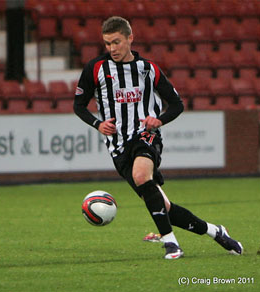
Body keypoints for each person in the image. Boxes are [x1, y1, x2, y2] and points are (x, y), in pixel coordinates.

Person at [73, 16, 243, 259]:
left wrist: (159, 120)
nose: (112, 49)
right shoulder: (95, 68)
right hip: (118, 147)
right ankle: (216, 232)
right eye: (107, 43)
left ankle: (170, 243)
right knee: (164, 208)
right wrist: (97, 124)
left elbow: (177, 104)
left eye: (117, 42)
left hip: (146, 136)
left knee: (141, 175)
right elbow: (79, 106)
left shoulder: (148, 69)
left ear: (130, 38)